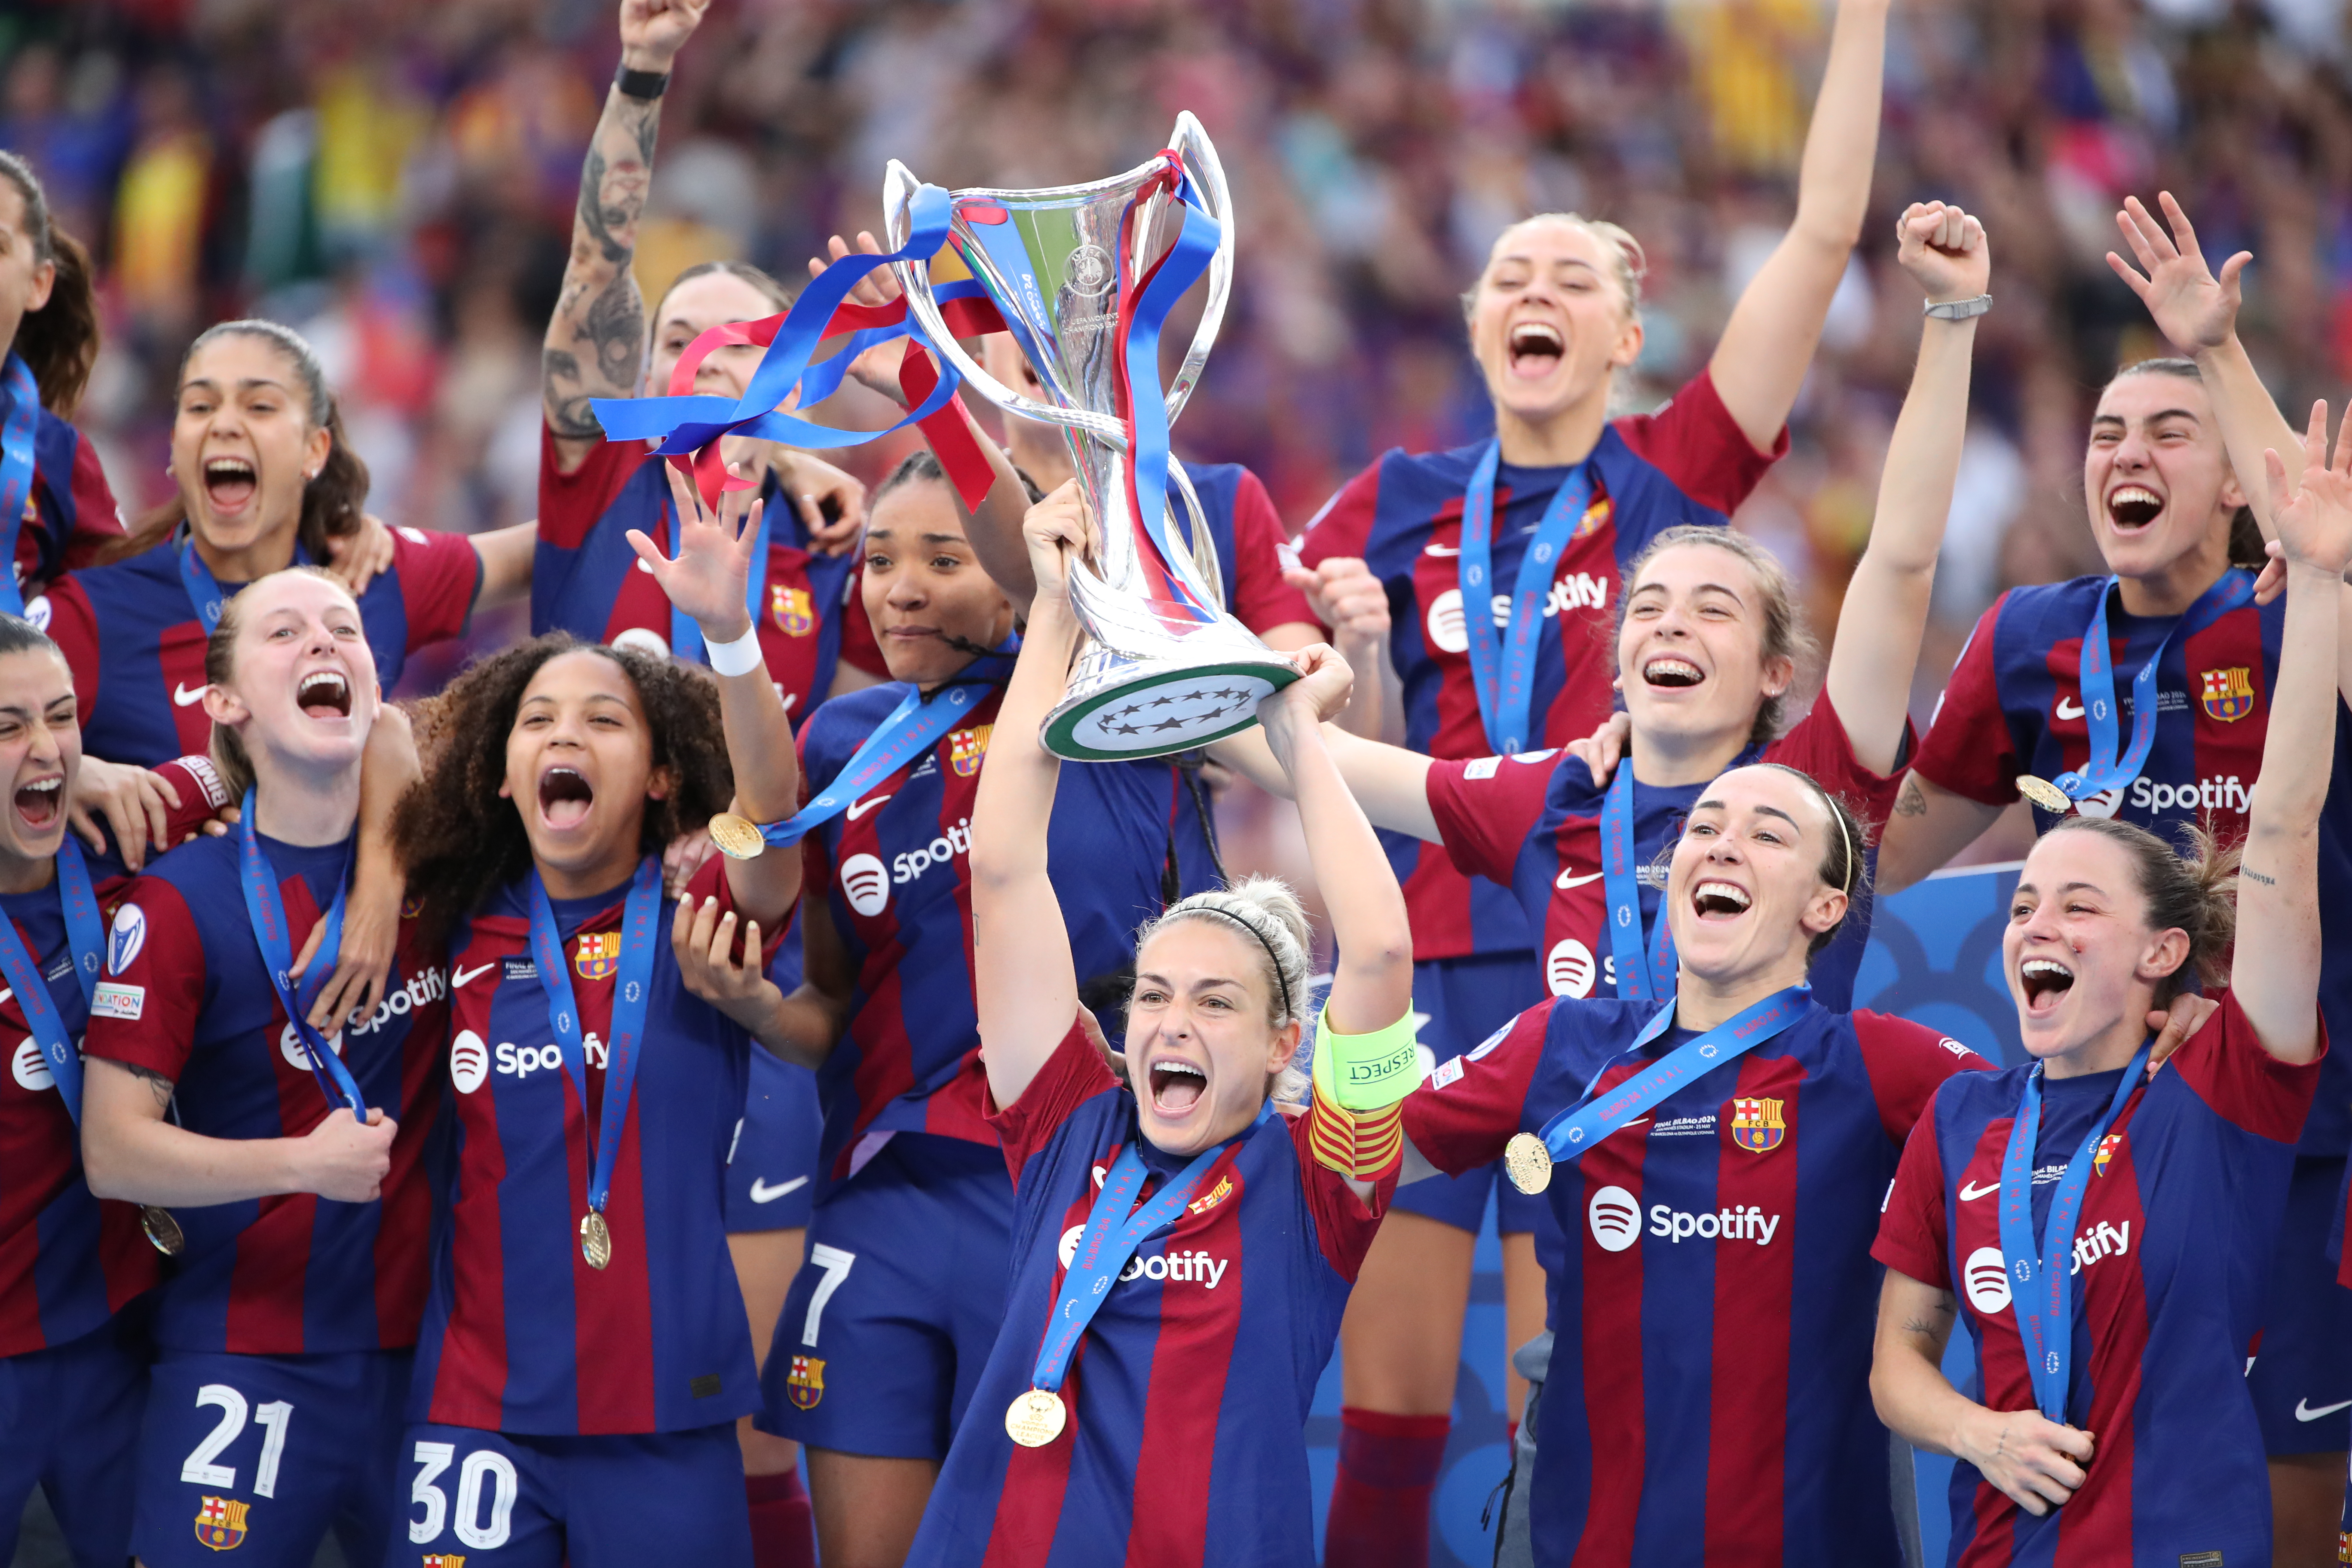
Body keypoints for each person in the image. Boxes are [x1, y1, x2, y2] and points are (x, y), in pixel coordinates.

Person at [1290, 2, 1892, 1541]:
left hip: (1631, 989)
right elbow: (1315, 722)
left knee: (1574, 1385)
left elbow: (1825, 233)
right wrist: (1342, 651)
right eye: (1510, 275)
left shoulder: (1673, 477)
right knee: (1388, 1405)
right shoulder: (1391, 498)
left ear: (1630, 335)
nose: (1535, 291)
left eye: (1576, 277)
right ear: (1479, 325)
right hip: (1431, 974)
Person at [1876, 192, 2352, 1563]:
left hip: (2303, 1127)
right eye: (2102, 437)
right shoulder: (2030, 641)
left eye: (2167, 435)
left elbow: (2316, 538)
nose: (2124, 458)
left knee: (2288, 1506)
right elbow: (1883, 850)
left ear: (2229, 486)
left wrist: (2216, 352)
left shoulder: (2297, 624)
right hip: (2114, 1148)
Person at [671, 451, 1219, 1568]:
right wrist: (759, 1007)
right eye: (877, 560)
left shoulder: (1109, 699)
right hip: (887, 1201)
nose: (900, 588)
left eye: (942, 556)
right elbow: (832, 1000)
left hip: (1075, 1195)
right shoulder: (841, 746)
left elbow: (1045, 548)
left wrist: (927, 370)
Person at [888, 483, 1408, 1561]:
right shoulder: (1072, 1121)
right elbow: (1002, 864)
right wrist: (1055, 610)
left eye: (1217, 1002)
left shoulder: (1325, 1179)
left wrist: (1297, 739)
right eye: (1156, 995)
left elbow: (1383, 953)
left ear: (1281, 1047)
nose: (1173, 1021)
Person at [1393, 743, 2010, 1562]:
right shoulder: (1565, 1042)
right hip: (1591, 1543)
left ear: (1827, 907)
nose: (1721, 843)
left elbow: (2066, 1126)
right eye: (1703, 826)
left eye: (1769, 835)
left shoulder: (1877, 1061)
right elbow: (1360, 1159)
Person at [384, 463, 803, 1568]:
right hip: (477, 1412)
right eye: (538, 722)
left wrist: (731, 639)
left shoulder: (696, 908)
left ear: (664, 777)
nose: (565, 736)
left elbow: (774, 830)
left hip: (667, 1418)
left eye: (605, 721)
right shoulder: (450, 931)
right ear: (505, 774)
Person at [77, 567, 449, 1568]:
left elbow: (421, 736)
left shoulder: (450, 866)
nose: (326, 644)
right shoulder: (176, 900)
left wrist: (384, 875)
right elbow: (114, 1154)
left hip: (441, 1361)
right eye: (285, 632)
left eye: (346, 629)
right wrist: (301, 1164)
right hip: (245, 1357)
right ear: (227, 700)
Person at [536, 0, 878, 721]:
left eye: (738, 341)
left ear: (791, 388)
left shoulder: (831, 541)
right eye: (678, 339)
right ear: (646, 381)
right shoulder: (599, 479)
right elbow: (596, 269)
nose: (704, 357)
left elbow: (836, 760)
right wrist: (644, 69)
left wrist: (787, 461)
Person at [0, 613, 222, 1568]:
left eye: (61, 717)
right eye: (7, 727)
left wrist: (378, 890)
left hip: (123, 1337)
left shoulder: (123, 818)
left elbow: (353, 734)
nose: (45, 748)